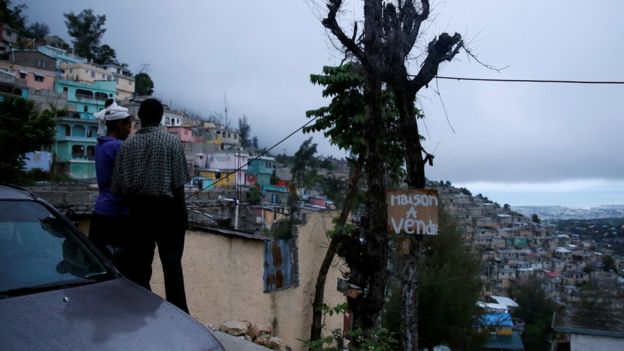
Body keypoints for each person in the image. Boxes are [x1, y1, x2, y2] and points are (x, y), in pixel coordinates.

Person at [111, 98, 191, 313]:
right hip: (167, 210)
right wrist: (182, 214)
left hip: (137, 211)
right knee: (172, 264)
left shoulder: (126, 146)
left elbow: (117, 187)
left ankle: (141, 310)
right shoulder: (171, 142)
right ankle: (179, 313)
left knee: (139, 265)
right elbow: (178, 184)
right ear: (160, 118)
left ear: (140, 117)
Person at [89, 99, 132, 273]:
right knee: (119, 267)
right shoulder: (118, 146)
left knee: (98, 264)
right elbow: (129, 179)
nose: (130, 130)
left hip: (100, 211)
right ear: (120, 125)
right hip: (117, 214)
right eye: (129, 125)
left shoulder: (101, 145)